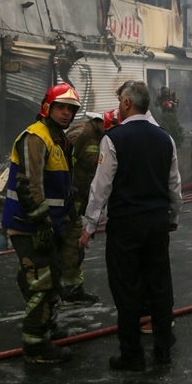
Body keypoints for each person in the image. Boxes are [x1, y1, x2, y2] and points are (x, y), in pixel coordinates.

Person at [81, 81, 183, 371]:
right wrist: (173, 218)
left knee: (127, 290)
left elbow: (100, 188)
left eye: (118, 102)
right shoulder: (166, 139)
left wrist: (88, 227)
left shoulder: (114, 139)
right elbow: (174, 186)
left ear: (127, 103)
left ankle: (132, 355)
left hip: (125, 226)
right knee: (160, 286)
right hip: (156, 223)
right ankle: (163, 347)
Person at [3, 83, 81, 364]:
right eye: (61, 107)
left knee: (51, 276)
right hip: (29, 225)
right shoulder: (35, 138)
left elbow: (61, 186)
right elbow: (29, 186)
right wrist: (43, 224)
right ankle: (35, 346)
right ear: (47, 108)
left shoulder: (59, 139)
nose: (66, 114)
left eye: (71, 110)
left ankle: (47, 326)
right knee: (42, 283)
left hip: (49, 225)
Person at [60, 111, 109, 305]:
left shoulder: (99, 136)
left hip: (79, 200)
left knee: (74, 245)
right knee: (68, 243)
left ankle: (73, 289)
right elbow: (64, 167)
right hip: (68, 200)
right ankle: (62, 290)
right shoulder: (81, 135)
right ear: (99, 121)